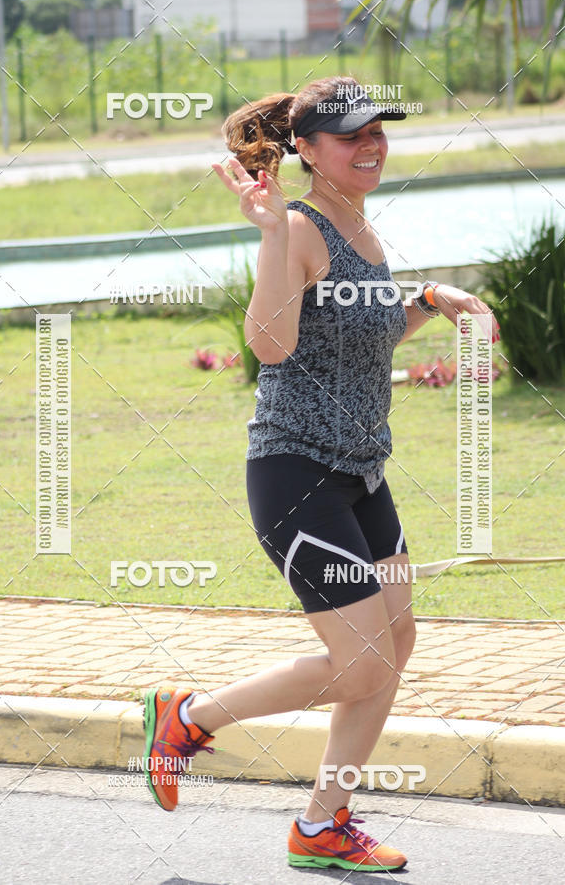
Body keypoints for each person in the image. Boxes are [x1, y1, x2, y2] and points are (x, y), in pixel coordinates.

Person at [142, 76, 500, 873]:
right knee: (362, 662)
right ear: (304, 149)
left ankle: (322, 825)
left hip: (364, 476)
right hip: (297, 474)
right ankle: (188, 716)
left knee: (396, 641)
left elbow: (364, 328)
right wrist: (269, 235)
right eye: (350, 136)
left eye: (379, 130)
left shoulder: (360, 226)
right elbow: (269, 344)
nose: (371, 145)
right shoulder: (300, 227)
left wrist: (443, 300)